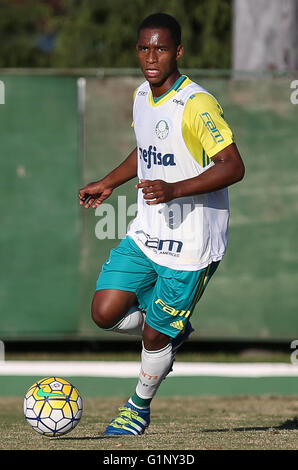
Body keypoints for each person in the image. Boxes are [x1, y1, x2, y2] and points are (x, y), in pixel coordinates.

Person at [78, 13, 245, 436]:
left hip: (191, 244)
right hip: (148, 232)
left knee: (154, 336)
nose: (152, 57)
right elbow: (146, 150)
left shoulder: (197, 104)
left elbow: (233, 166)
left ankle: (137, 406)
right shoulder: (140, 95)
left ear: (179, 51)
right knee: (104, 312)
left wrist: (174, 190)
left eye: (162, 48)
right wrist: (109, 182)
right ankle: (170, 331)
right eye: (144, 48)